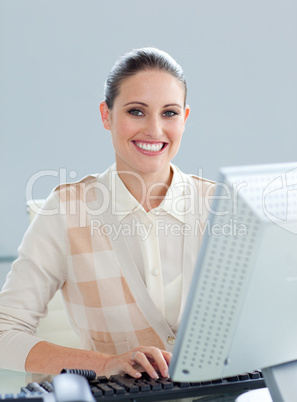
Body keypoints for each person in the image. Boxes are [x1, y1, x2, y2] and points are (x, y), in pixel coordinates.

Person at [0, 48, 215, 380]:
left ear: (184, 118)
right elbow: (4, 332)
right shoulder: (66, 212)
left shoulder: (221, 206)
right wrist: (102, 364)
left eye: (169, 113)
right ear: (106, 115)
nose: (155, 130)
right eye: (136, 111)